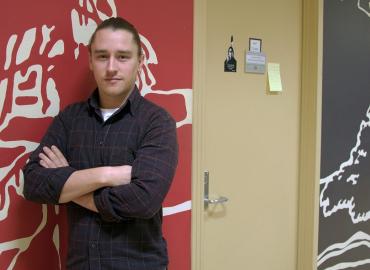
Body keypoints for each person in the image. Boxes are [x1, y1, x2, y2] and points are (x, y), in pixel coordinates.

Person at [22, 17, 178, 270]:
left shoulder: (157, 122)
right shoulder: (69, 120)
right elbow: (33, 183)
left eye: (123, 57)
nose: (111, 67)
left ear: (140, 61)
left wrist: (68, 183)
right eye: (102, 56)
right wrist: (108, 175)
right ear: (90, 60)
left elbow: (144, 200)